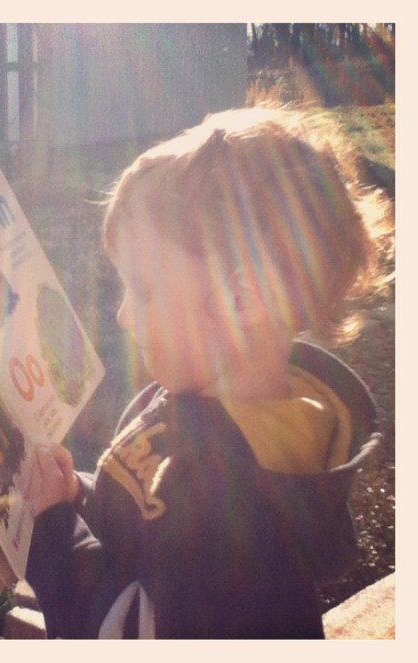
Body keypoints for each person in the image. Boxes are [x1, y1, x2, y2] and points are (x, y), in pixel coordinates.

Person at [23, 106, 393, 639]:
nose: (123, 315)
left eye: (144, 290)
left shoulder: (230, 514)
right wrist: (81, 496)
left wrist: (55, 535)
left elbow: (127, 631)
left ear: (242, 299)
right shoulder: (236, 410)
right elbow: (149, 517)